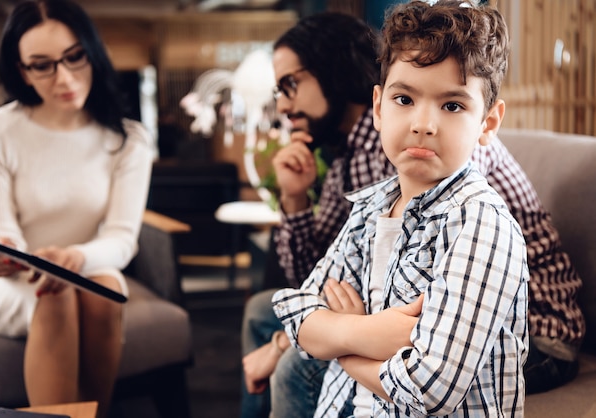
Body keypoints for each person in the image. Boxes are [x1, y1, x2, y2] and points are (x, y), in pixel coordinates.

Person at [241, 6, 585, 418]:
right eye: (404, 98)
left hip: (531, 330)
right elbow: (302, 300)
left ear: (488, 123)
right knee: (268, 314)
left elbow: (430, 386)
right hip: (410, 347)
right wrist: (363, 330)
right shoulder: (371, 198)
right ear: (379, 105)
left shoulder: (470, 208)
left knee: (295, 368)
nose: (424, 123)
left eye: (452, 106)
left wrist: (341, 345)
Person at [0, 1, 152, 417]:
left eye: (74, 57)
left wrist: (74, 257)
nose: (65, 78)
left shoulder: (129, 139)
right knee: (55, 293)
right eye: (42, 65)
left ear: (91, 50)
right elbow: (2, 228)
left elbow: (122, 239)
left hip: (86, 265)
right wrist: (2, 250)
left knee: (102, 290)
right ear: (21, 71)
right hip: (6, 281)